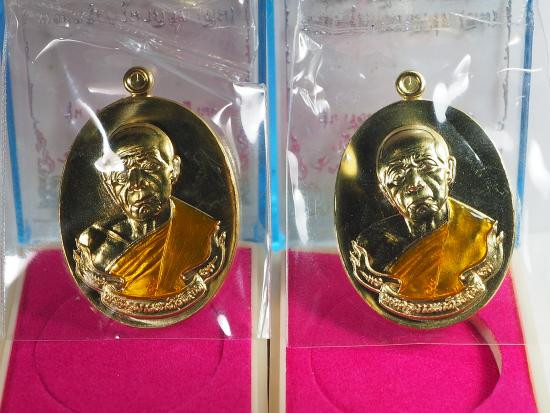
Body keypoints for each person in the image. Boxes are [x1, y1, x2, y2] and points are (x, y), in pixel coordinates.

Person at [74, 123, 221, 299]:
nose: (136, 183)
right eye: (121, 175)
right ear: (108, 183)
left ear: (174, 169)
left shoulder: (204, 234)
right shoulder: (94, 243)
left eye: (149, 167)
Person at [356, 125, 502, 301]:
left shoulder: (482, 234)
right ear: (386, 191)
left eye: (426, 166)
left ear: (450, 170)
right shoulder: (371, 246)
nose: (414, 184)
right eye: (397, 175)